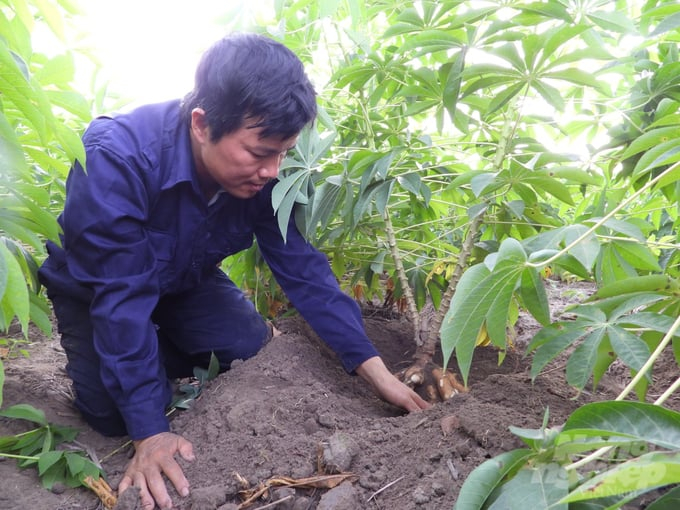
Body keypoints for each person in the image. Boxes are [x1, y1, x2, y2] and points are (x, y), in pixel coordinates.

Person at [38, 33, 429, 510]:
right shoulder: (119, 157)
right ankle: (128, 369)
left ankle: (147, 359)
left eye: (284, 153)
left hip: (184, 280)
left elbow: (303, 268)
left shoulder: (264, 178)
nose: (273, 170)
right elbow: (121, 299)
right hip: (97, 292)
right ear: (202, 125)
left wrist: (372, 368)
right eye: (260, 153)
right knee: (115, 416)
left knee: (248, 347)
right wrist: (151, 431)